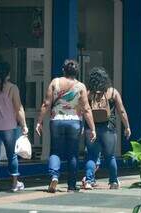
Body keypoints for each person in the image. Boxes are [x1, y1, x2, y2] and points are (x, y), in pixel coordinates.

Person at [35, 59, 96, 193]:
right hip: (74, 121)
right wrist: (92, 128)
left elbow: (46, 103)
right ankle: (72, 185)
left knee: (55, 151)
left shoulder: (55, 82)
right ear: (77, 72)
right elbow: (86, 108)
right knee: (73, 154)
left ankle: (54, 175)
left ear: (64, 70)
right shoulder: (80, 86)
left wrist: (39, 122)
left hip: (56, 120)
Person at [0, 62, 28, 193]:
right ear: (8, 73)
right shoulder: (12, 88)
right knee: (11, 155)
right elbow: (18, 108)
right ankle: (14, 183)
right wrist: (24, 125)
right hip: (9, 125)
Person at [84, 67, 131, 190]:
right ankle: (113, 181)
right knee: (110, 156)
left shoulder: (88, 93)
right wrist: (127, 127)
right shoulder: (112, 92)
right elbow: (121, 110)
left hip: (91, 128)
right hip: (109, 128)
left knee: (92, 156)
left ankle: (88, 181)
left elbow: (83, 110)